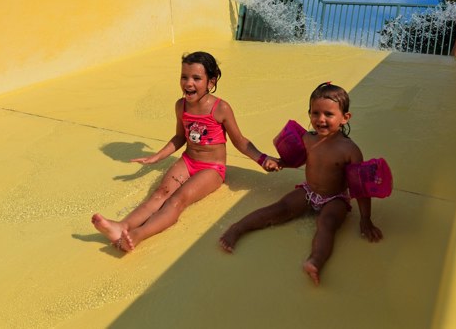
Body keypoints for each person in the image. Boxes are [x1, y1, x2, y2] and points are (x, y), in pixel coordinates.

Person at [91, 51, 281, 252]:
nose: (188, 83)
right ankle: (122, 227)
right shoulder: (180, 106)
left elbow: (240, 142)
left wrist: (263, 159)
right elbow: (180, 137)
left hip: (212, 169)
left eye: (196, 78)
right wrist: (157, 156)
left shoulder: (220, 108)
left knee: (176, 200)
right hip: (188, 161)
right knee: (159, 194)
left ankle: (138, 235)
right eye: (184, 77)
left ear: (211, 81)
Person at [219, 82, 383, 285]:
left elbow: (361, 188)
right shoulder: (308, 139)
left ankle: (315, 261)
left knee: (327, 224)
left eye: (328, 114)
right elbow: (297, 160)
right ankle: (237, 228)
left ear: (345, 118)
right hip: (309, 191)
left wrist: (365, 218)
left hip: (335, 198)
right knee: (280, 208)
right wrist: (280, 163)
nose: (321, 119)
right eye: (315, 113)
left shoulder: (350, 150)